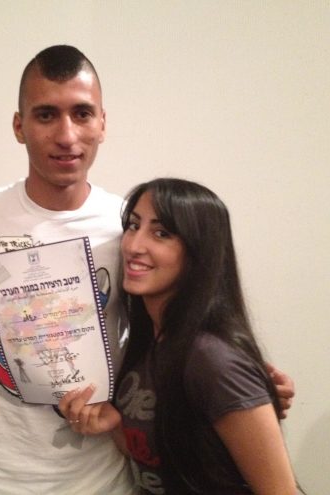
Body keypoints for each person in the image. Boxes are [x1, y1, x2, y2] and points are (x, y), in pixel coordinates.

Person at [0, 45, 295, 494]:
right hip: (0, 476)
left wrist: (238, 381)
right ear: (19, 126)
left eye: (82, 114)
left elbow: (174, 326)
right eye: (46, 115)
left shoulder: (128, 227)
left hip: (107, 474)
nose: (66, 135)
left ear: (102, 123)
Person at [59, 178, 301, 494]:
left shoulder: (211, 359)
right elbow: (164, 464)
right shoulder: (151, 344)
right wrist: (115, 425)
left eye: (162, 233)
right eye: (133, 226)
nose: (134, 246)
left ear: (199, 251)